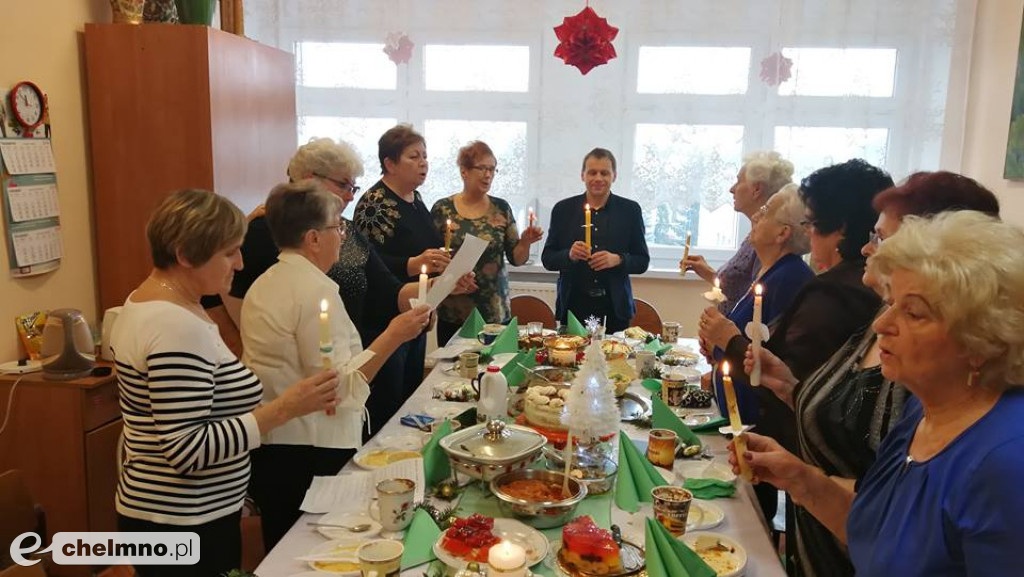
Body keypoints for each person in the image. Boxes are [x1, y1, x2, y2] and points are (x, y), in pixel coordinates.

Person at [731, 210, 1024, 577]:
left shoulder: (1006, 464)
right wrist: (799, 479)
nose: (881, 324)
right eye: (890, 304)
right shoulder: (923, 412)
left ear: (984, 339)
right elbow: (876, 532)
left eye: (913, 313)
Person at [110, 189, 339, 577]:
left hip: (178, 514)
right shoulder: (174, 327)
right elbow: (187, 449)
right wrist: (283, 409)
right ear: (185, 254)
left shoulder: (159, 303)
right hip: (182, 522)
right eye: (230, 252)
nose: (241, 262)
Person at [220, 137, 476, 439]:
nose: (350, 197)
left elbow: (388, 288)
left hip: (359, 362)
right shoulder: (278, 243)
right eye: (344, 185)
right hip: (317, 399)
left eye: (353, 187)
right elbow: (336, 384)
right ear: (309, 180)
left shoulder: (341, 234)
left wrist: (440, 286)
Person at [240, 181, 431, 549]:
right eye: (337, 227)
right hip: (306, 448)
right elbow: (336, 386)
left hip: (280, 442)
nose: (342, 236)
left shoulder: (270, 280)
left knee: (284, 544)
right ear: (313, 238)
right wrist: (395, 334)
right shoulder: (313, 291)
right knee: (306, 550)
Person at [354, 124, 450, 399]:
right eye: (414, 156)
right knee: (389, 397)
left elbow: (426, 248)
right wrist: (412, 263)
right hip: (385, 319)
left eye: (425, 156)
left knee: (409, 391)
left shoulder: (416, 199)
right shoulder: (374, 203)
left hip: (415, 311)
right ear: (390, 163)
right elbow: (366, 262)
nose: (423, 163)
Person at [431, 141, 545, 345]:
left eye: (492, 169)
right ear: (464, 171)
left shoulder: (501, 208)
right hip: (455, 311)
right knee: (452, 374)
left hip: (495, 311)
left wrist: (526, 242)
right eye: (482, 168)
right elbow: (432, 257)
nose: (488, 175)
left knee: (496, 369)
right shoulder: (443, 209)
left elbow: (517, 259)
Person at [541, 148, 649, 333]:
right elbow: (548, 259)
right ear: (583, 175)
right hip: (574, 305)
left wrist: (618, 259)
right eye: (592, 172)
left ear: (614, 176)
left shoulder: (630, 210)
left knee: (615, 360)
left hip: (615, 308)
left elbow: (642, 261)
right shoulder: (563, 210)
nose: (598, 178)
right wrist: (570, 255)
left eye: (604, 173)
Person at [682, 151, 794, 312]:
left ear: (756, 189)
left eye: (738, 181)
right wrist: (707, 272)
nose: (731, 189)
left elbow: (755, 296)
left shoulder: (768, 240)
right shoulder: (753, 236)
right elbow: (740, 287)